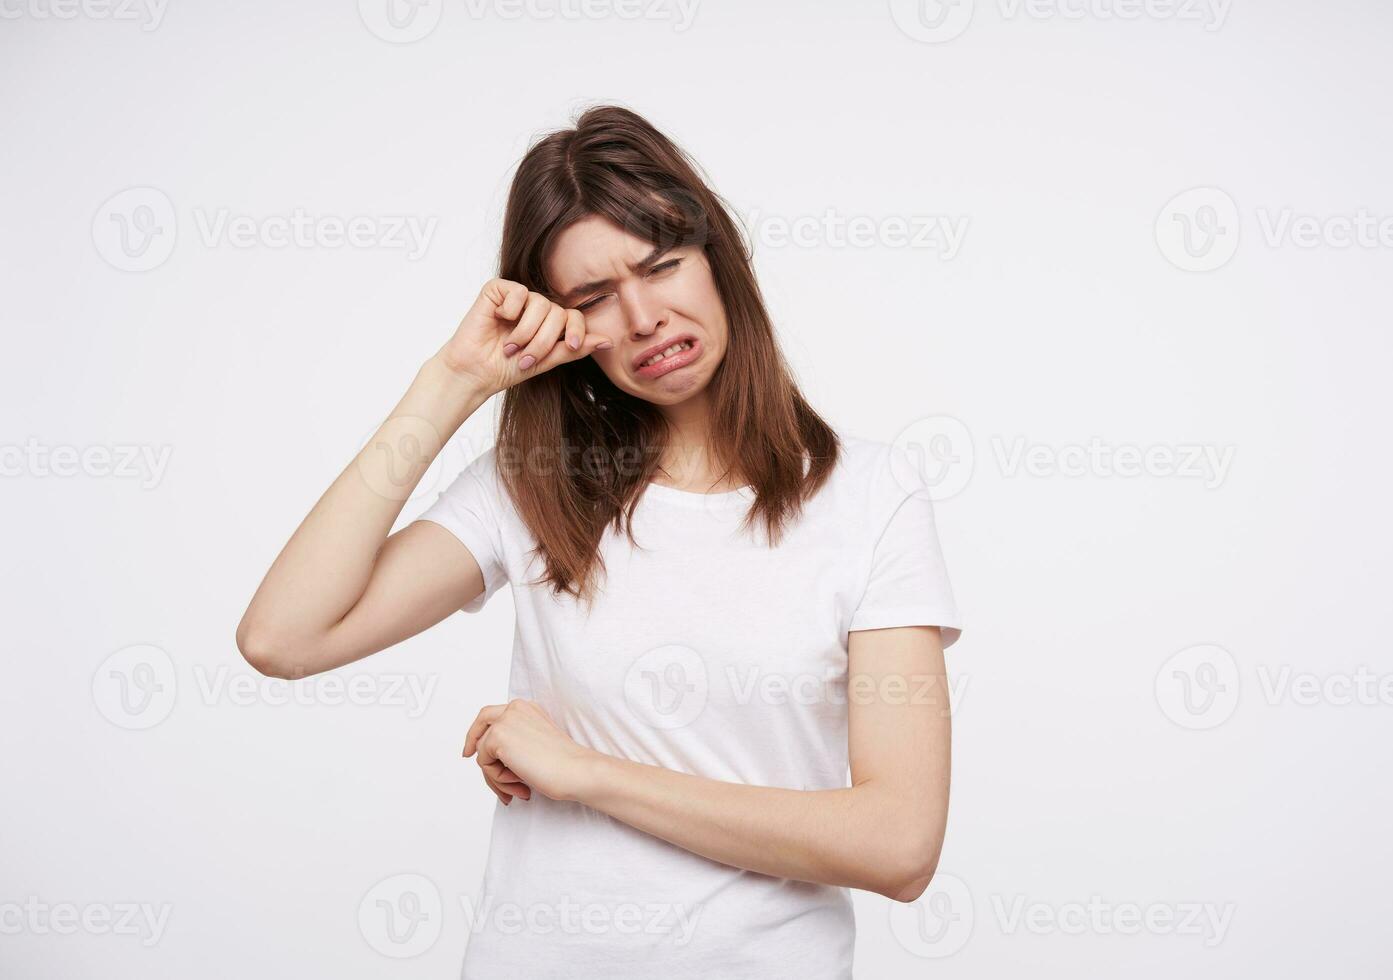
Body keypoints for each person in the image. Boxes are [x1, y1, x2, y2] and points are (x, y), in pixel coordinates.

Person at [236, 104, 964, 980]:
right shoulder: (532, 485)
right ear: (563, 323)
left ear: (718, 257)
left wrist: (587, 774)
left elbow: (899, 845)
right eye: (593, 299)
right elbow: (283, 638)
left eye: (662, 266)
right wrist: (454, 381)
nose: (645, 317)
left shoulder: (869, 496)